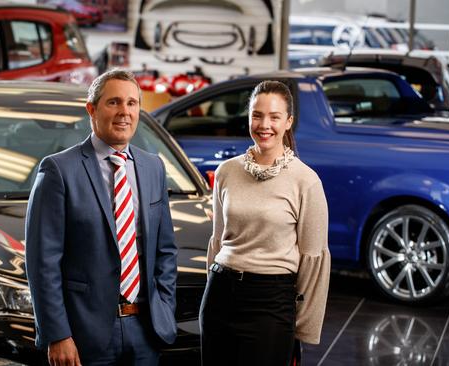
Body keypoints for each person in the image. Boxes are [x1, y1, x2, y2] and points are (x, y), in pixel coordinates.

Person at [25, 69, 177, 366]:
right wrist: (57, 334)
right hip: (84, 335)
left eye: (132, 103)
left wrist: (164, 308)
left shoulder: (152, 168)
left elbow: (165, 250)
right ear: (91, 110)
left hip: (145, 330)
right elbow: (43, 263)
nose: (124, 112)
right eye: (114, 102)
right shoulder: (59, 170)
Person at [199, 80, 330, 366]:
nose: (264, 124)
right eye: (257, 115)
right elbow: (217, 240)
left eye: (274, 117)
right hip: (220, 294)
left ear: (288, 122)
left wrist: (302, 325)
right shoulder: (226, 172)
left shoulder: (305, 181)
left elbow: (313, 259)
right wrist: (215, 285)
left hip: (271, 303)